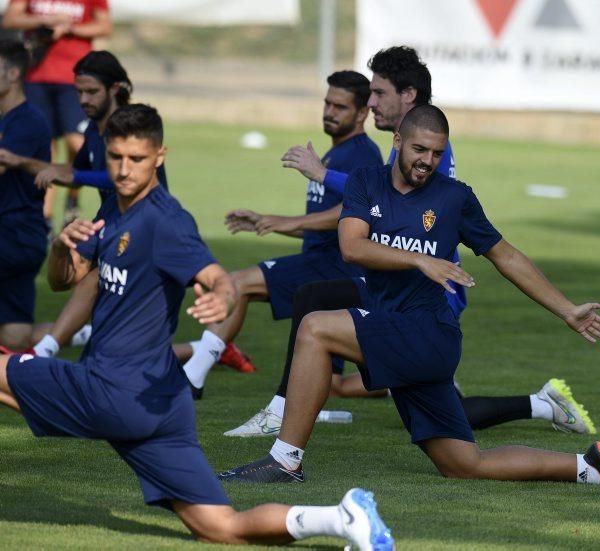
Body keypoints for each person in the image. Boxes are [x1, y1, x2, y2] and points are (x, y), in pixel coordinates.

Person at [0, 104, 394, 550]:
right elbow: (62, 280)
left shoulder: (165, 222)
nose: (124, 169)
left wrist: (220, 297)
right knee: (221, 527)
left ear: (160, 157)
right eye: (115, 157)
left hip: (111, 389)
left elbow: (218, 278)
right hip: (161, 405)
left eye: (137, 159)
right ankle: (344, 519)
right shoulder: (114, 213)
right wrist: (59, 247)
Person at [216, 105, 600, 488]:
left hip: (428, 333)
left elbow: (506, 256)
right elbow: (352, 246)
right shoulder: (366, 183)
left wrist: (567, 310)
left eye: (437, 152)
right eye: (419, 150)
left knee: (315, 327)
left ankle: (284, 460)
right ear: (397, 142)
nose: (428, 161)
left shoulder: (455, 198)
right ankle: (593, 467)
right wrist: (419, 260)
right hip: (397, 330)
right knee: (465, 465)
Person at [224, 45, 593, 438]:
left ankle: (283, 429)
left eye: (379, 92)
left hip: (429, 301)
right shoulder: (397, 153)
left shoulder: (430, 159)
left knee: (320, 315)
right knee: (453, 447)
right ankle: (547, 413)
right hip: (395, 292)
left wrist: (323, 178)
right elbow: (373, 208)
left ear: (408, 96)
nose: (371, 101)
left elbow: (495, 250)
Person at [176, 70, 383, 399]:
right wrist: (264, 222)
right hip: (319, 260)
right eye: (327, 103)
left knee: (237, 283)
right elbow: (320, 224)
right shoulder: (335, 153)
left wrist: (281, 221)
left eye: (340, 107)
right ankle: (405, 383)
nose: (329, 112)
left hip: (334, 267)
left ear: (362, 113)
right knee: (330, 385)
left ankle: (192, 378)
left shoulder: (362, 154)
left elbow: (354, 213)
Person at [0, 50, 166, 359]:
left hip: (146, 223)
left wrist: (67, 172)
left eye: (91, 92)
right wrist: (24, 162)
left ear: (115, 89)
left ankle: (46, 351)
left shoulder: (130, 127)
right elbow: (73, 174)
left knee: (94, 287)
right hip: (110, 221)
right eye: (78, 92)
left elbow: (114, 177)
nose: (83, 100)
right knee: (66, 278)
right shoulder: (92, 130)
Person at [2, 0, 112, 223]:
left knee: (76, 143)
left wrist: (69, 27)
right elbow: (10, 19)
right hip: (36, 76)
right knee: (45, 146)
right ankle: (46, 215)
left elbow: (105, 27)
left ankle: (73, 195)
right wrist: (44, 21)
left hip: (75, 78)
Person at [0, 39, 53, 350]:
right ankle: (82, 332)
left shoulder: (28, 121)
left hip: (16, 235)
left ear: (13, 74)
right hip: (10, 234)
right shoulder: (5, 119)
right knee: (15, 338)